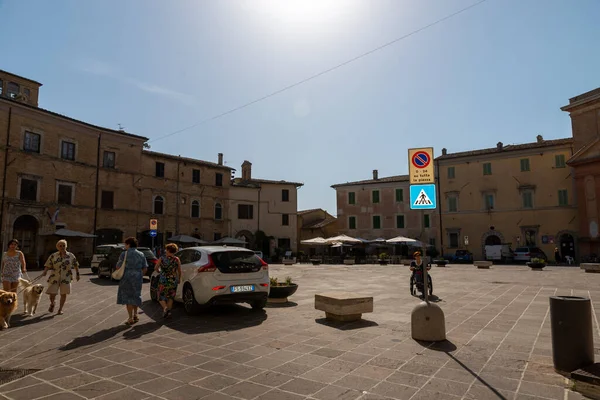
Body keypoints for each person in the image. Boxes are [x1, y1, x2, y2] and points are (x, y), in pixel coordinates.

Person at [43, 239, 80, 315]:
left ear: (66, 246)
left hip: (66, 277)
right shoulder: (53, 255)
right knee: (52, 293)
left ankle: (60, 309)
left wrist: (77, 274)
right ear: (57, 247)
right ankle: (52, 303)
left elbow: (76, 265)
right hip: (54, 276)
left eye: (64, 245)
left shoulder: (71, 255)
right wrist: (45, 271)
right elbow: (48, 264)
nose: (62, 247)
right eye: (60, 246)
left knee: (64, 293)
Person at [116, 237, 147, 325]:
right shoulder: (141, 254)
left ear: (128, 244)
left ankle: (130, 318)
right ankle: (136, 315)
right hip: (137, 277)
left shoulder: (124, 254)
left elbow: (118, 267)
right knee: (136, 296)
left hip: (126, 277)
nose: (125, 246)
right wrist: (140, 275)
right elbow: (145, 267)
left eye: (125, 244)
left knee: (128, 297)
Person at [157, 243, 182, 319]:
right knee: (171, 297)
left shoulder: (162, 258)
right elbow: (179, 271)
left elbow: (156, 267)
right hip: (173, 280)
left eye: (166, 249)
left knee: (160, 296)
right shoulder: (177, 259)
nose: (165, 250)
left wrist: (160, 272)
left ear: (168, 250)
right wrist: (179, 279)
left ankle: (165, 308)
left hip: (163, 280)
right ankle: (169, 312)